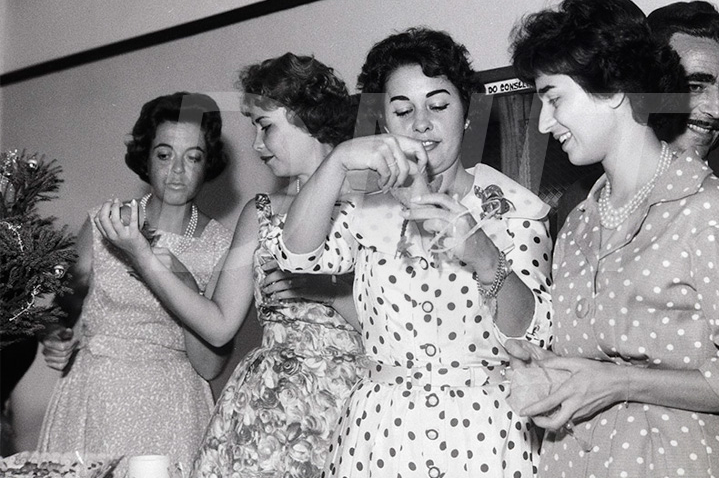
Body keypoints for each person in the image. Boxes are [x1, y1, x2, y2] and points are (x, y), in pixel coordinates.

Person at [506, 0, 719, 478]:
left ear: (616, 89)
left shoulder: (709, 212)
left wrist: (619, 383)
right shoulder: (579, 222)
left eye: (553, 98)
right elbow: (594, 365)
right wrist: (552, 371)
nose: (543, 123)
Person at [274, 27, 553, 477]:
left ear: (467, 115)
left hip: (485, 435)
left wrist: (484, 256)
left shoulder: (513, 206)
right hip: (383, 435)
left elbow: (536, 334)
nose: (421, 123)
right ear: (384, 124)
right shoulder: (364, 205)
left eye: (438, 106)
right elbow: (296, 256)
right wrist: (339, 159)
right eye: (403, 110)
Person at [126, 54, 365, 477]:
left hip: (349, 405)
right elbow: (219, 325)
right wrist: (145, 258)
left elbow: (397, 331)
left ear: (307, 116)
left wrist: (324, 290)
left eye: (265, 126)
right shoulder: (260, 212)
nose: (256, 145)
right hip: (265, 416)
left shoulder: (371, 207)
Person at [37, 92, 233, 474]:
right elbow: (61, 312)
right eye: (165, 154)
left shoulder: (221, 245)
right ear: (146, 157)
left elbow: (210, 366)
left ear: (208, 162)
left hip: (171, 410)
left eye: (193, 157)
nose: (177, 170)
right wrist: (55, 338)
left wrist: (182, 279)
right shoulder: (105, 223)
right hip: (93, 399)